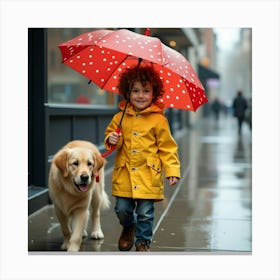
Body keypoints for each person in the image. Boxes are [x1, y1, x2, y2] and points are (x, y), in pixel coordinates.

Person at [104, 65, 181, 252]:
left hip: (148, 174)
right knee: (122, 210)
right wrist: (111, 139)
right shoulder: (119, 117)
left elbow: (168, 148)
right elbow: (110, 138)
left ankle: (143, 242)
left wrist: (172, 170)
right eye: (135, 91)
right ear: (127, 92)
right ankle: (128, 227)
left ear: (154, 94)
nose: (140, 96)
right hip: (124, 174)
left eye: (146, 91)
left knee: (145, 213)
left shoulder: (158, 120)